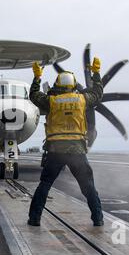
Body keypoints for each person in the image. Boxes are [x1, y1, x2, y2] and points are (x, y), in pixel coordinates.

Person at [27, 58, 104, 227]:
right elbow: (98, 94)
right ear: (74, 84)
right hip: (77, 150)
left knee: (45, 185)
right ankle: (98, 219)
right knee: (88, 186)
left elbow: (33, 95)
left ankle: (34, 219)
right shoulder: (82, 100)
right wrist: (96, 74)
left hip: (55, 151)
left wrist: (37, 77)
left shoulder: (51, 101)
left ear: (57, 85)